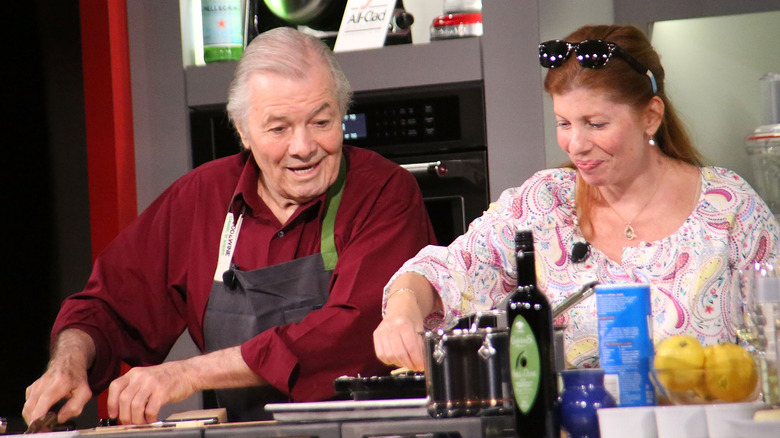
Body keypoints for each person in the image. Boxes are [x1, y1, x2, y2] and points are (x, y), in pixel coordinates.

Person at [23, 27, 435, 426]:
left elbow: (350, 331)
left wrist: (187, 374)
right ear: (243, 131)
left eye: (321, 123)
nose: (304, 147)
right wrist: (70, 363)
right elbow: (108, 306)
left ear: (341, 113)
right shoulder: (201, 197)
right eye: (279, 128)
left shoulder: (385, 191)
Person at [373, 24, 780, 372]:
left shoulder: (728, 207)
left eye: (596, 123)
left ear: (650, 116)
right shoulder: (544, 204)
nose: (576, 144)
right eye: (563, 123)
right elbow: (445, 270)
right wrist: (402, 311)